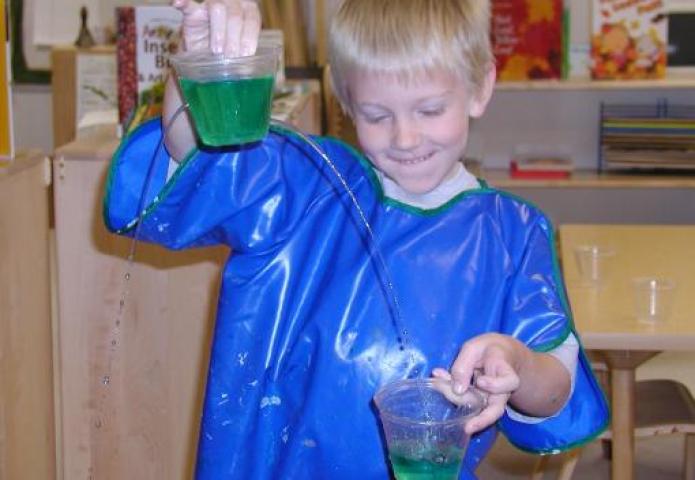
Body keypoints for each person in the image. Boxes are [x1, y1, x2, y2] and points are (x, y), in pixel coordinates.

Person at [103, 0, 609, 478]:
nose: (405, 138)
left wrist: (517, 363)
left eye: (430, 110)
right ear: (345, 101)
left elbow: (555, 392)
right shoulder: (307, 184)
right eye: (377, 115)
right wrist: (197, 65)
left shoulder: (511, 234)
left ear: (479, 88)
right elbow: (192, 152)